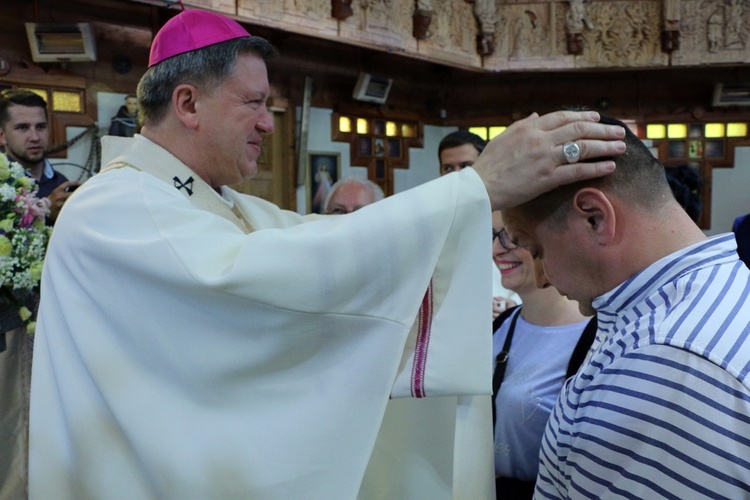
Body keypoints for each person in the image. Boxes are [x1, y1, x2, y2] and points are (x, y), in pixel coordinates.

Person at [28, 9, 626, 499]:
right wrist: (476, 187)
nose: (269, 122)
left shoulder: (217, 205)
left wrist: (469, 199)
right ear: (187, 104)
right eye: (254, 103)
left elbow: (329, 247)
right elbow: (274, 276)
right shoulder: (116, 208)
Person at [502, 114, 750, 498]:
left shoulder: (665, 359)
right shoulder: (723, 284)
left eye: (537, 249)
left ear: (594, 218)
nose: (544, 276)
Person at [490, 210, 595, 499]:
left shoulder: (594, 339)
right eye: (492, 236)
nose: (496, 249)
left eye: (509, 236)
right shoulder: (499, 326)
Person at [438, 130, 520, 317]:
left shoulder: (509, 214)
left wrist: (514, 305)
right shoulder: (433, 224)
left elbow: (533, 270)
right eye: (449, 168)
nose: (457, 175)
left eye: (466, 166)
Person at [0, 89, 79, 224]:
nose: (35, 137)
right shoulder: (3, 186)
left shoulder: (61, 183)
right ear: (2, 136)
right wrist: (45, 213)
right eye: (22, 128)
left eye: (41, 127)